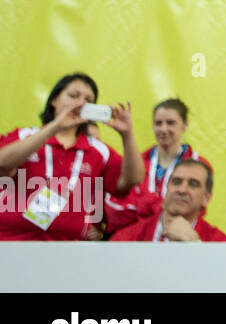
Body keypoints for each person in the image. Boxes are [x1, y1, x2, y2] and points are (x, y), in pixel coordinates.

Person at [0, 73, 144, 240]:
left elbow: (133, 179)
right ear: (54, 100)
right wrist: (54, 128)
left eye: (88, 100)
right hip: (11, 244)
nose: (81, 102)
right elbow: (2, 163)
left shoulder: (98, 150)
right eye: (73, 95)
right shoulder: (26, 136)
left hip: (68, 251)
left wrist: (127, 135)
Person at [104, 98, 209, 235]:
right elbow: (115, 208)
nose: (163, 129)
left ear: (185, 124)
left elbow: (194, 209)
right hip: (137, 241)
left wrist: (145, 204)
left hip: (176, 239)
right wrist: (163, 207)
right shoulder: (136, 164)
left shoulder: (199, 166)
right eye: (158, 123)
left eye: (170, 123)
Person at [110, 159, 226, 243]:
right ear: (167, 188)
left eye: (193, 184)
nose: (182, 190)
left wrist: (193, 243)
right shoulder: (128, 237)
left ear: (206, 198)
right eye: (176, 182)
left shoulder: (216, 240)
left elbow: (219, 276)